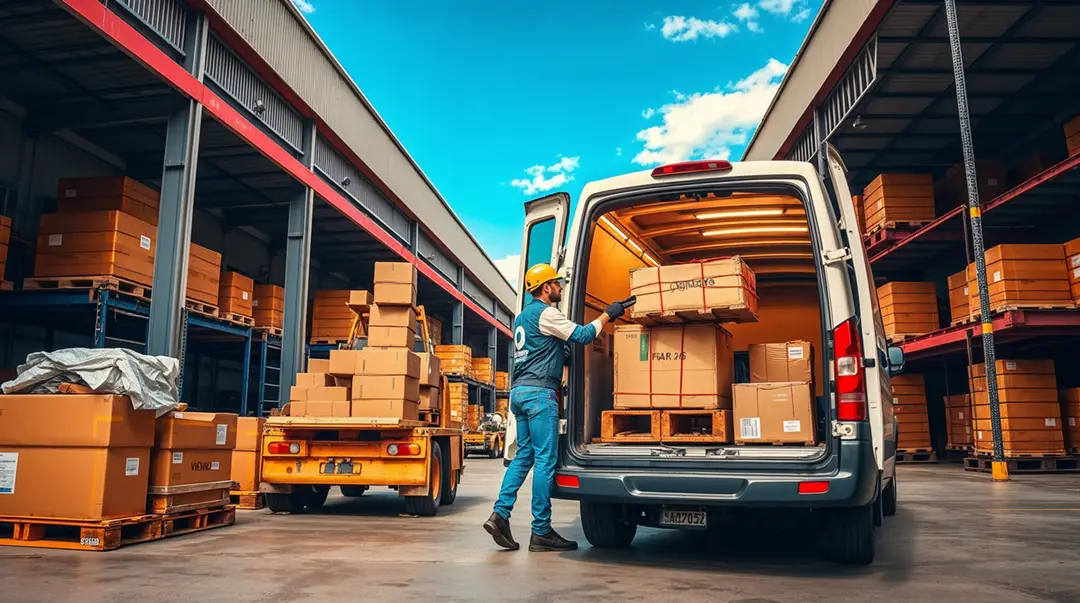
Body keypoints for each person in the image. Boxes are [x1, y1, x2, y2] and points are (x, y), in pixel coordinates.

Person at [483, 263, 635, 552]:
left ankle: (500, 514)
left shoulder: (521, 318)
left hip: (519, 392)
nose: (560, 287)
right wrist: (608, 314)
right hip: (540, 394)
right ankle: (541, 531)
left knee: (523, 455)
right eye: (556, 283)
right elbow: (583, 335)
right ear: (545, 288)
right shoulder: (547, 313)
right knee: (544, 460)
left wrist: (558, 351)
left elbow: (542, 348)